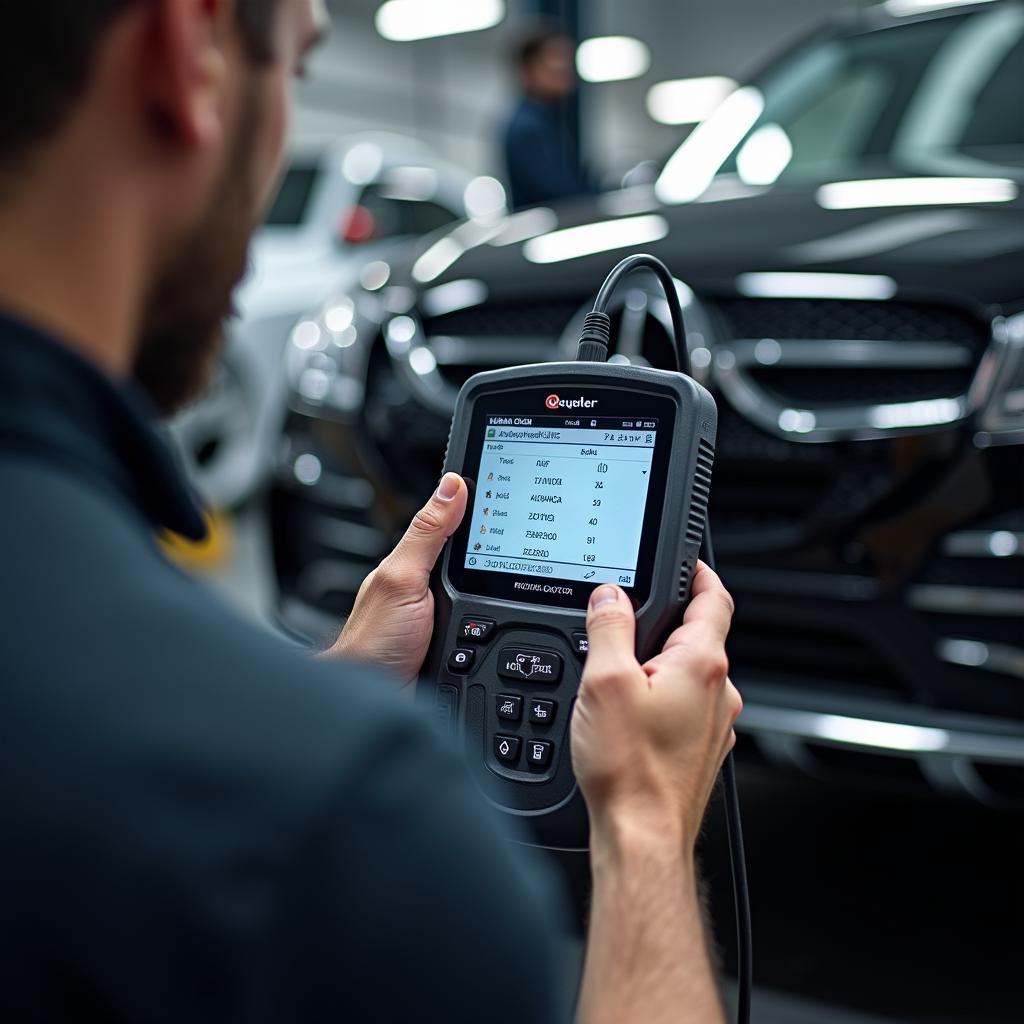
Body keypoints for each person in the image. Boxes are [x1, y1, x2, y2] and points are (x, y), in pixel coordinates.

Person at [0, 2, 742, 1022]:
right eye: (298, 72)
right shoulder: (347, 833)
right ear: (188, 55)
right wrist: (649, 827)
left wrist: (324, 693)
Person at [503, 26, 598, 210]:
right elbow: (560, 195)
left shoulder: (547, 121)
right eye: (556, 60)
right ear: (529, 68)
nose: (565, 69)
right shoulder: (528, 128)